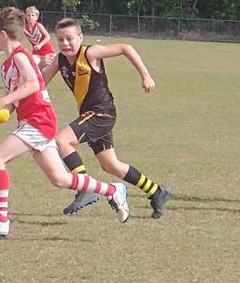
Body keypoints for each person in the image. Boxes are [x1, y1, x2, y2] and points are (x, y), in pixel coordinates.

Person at [0, 7, 129, 238]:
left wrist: (1, 101)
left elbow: (33, 84)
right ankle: (112, 190)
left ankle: (0, 219)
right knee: (60, 179)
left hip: (38, 121)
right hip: (33, 121)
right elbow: (18, 98)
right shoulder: (7, 64)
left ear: (2, 34)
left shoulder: (21, 56)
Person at [41, 18, 171, 219]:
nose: (65, 44)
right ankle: (157, 192)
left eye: (70, 39)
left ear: (80, 38)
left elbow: (125, 48)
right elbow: (39, 83)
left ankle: (85, 186)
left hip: (102, 113)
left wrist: (146, 76)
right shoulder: (59, 61)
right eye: (60, 40)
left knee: (62, 140)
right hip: (88, 115)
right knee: (111, 165)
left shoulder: (90, 53)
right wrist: (41, 64)